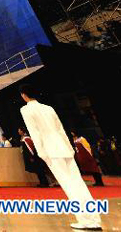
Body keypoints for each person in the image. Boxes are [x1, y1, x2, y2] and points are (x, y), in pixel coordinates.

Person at [20, 83, 102, 231]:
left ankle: (85, 221)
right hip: (64, 148)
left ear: (24, 95)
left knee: (69, 186)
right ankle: (94, 219)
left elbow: (35, 132)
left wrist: (42, 153)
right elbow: (60, 129)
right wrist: (70, 149)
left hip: (51, 150)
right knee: (78, 183)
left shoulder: (25, 110)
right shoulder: (48, 108)